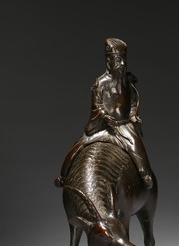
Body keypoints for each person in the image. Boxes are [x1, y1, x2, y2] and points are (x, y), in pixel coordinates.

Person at [56, 38, 154, 189]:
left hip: (123, 126)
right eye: (118, 60)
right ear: (109, 61)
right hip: (102, 126)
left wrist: (133, 115)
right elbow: (97, 105)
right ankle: (63, 176)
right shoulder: (100, 83)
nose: (122, 64)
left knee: (135, 144)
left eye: (124, 60)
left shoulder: (127, 82)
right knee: (77, 146)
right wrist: (104, 116)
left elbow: (133, 101)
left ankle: (144, 174)